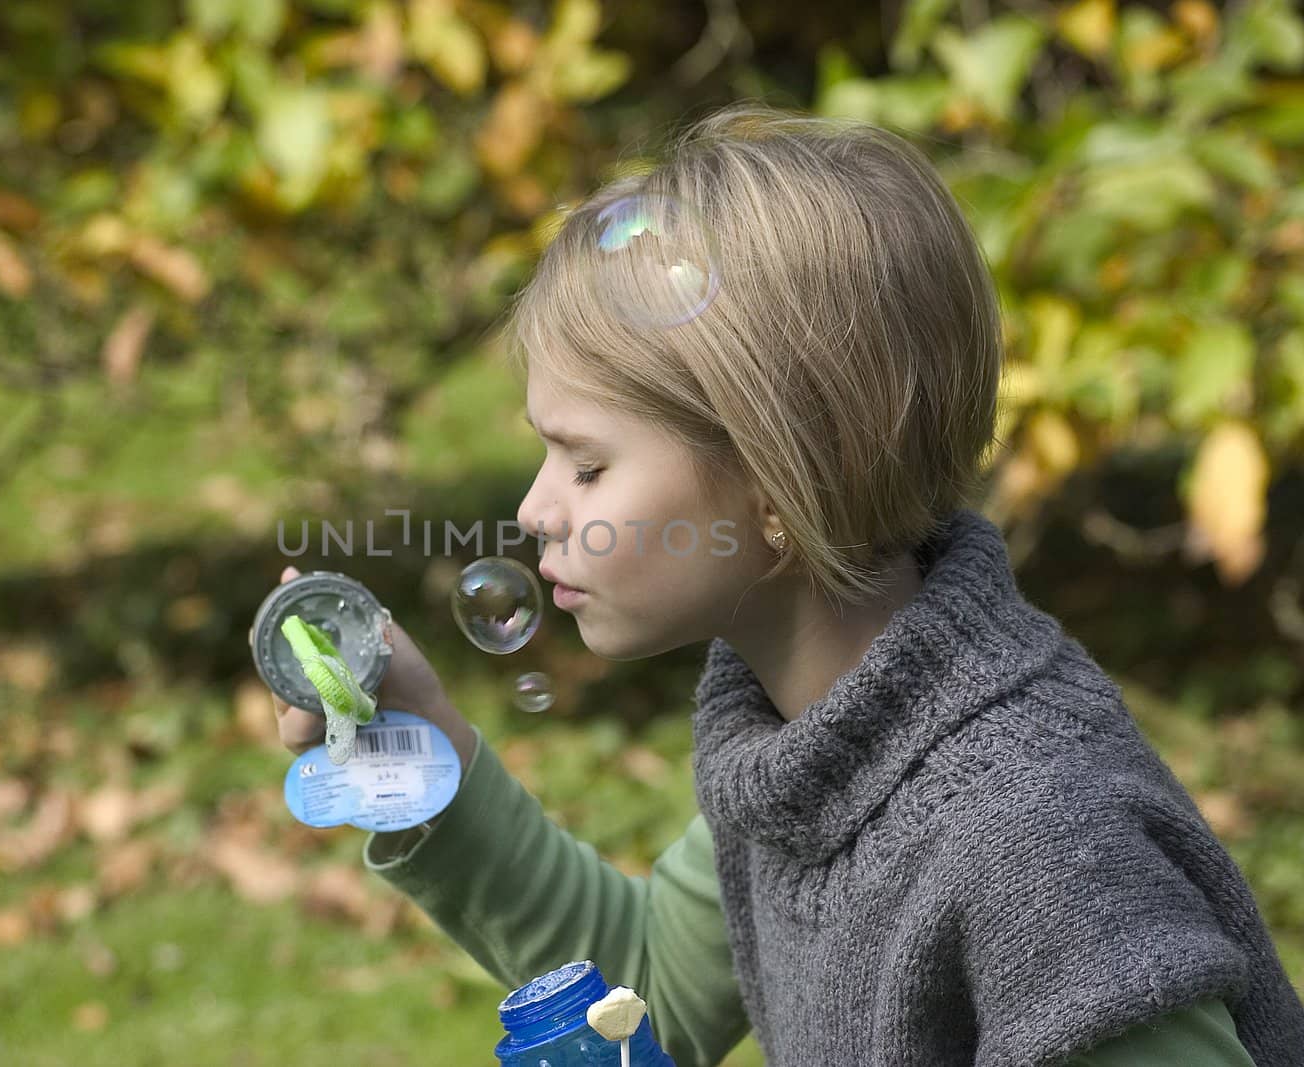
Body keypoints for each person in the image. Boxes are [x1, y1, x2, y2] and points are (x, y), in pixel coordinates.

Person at [268, 102, 1304, 1066]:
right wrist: (423, 741)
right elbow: (648, 992)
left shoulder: (1037, 846)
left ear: (776, 488)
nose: (535, 509)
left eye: (586, 465)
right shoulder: (814, 747)